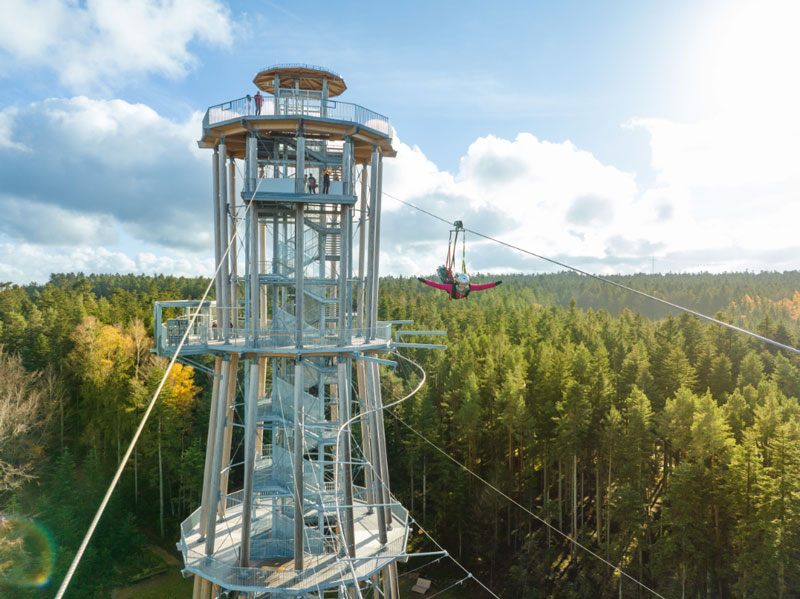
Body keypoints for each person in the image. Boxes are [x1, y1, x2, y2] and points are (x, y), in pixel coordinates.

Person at [418, 272, 502, 300]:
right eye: (462, 284)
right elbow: (437, 285)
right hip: (452, 292)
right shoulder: (450, 287)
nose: (463, 287)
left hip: (459, 296)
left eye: (465, 285)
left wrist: (495, 284)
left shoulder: (470, 287)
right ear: (458, 283)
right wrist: (425, 281)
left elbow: (482, 286)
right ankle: (444, 273)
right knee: (446, 281)